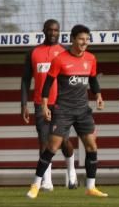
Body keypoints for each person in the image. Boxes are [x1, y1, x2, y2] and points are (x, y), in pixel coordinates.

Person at [26, 24, 107, 198]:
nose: (84, 42)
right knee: (52, 147)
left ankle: (91, 187)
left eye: (87, 39)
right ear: (72, 39)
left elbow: (92, 80)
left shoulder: (91, 59)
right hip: (63, 110)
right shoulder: (60, 59)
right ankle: (35, 184)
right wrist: (45, 105)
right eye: (81, 39)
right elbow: (47, 84)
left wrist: (98, 95)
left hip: (83, 110)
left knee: (92, 146)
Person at [21, 19, 78, 191]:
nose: (53, 33)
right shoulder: (33, 53)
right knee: (44, 142)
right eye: (50, 30)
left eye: (56, 30)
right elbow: (25, 80)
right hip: (41, 104)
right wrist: (24, 104)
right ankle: (47, 181)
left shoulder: (65, 53)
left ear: (59, 32)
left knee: (64, 142)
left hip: (62, 104)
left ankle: (72, 174)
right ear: (44, 30)